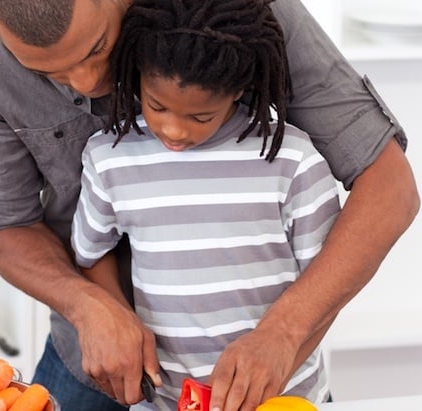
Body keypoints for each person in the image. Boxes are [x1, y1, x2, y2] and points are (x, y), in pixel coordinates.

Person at [0, 0, 419, 410]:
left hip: (263, 371)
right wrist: (89, 306)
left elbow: (390, 187)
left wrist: (282, 335)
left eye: (97, 48)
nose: (89, 83)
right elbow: (7, 229)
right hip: (94, 358)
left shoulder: (247, 10)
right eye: (49, 73)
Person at [70, 1, 339, 409]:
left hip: (283, 399)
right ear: (136, 76)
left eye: (201, 116)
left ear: (236, 90)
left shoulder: (291, 161)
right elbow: (90, 255)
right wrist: (119, 319)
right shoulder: (111, 158)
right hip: (163, 401)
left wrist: (280, 353)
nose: (174, 130)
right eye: (156, 105)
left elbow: (327, 287)